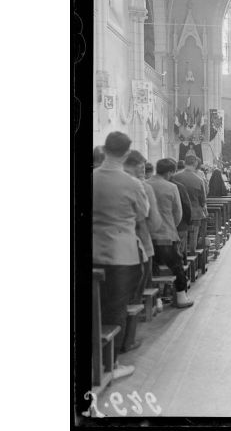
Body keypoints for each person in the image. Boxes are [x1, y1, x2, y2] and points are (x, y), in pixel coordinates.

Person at [93, 131, 149, 379]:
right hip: (122, 255)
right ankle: (111, 365)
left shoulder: (91, 178)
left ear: (104, 150)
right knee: (116, 308)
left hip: (93, 251)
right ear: (127, 153)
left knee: (94, 306)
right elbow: (142, 214)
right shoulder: (132, 184)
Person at [146, 158, 194, 309]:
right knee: (176, 266)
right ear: (169, 172)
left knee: (151, 269)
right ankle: (181, 297)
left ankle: (156, 300)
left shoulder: (145, 185)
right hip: (166, 234)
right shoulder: (171, 187)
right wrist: (171, 225)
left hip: (147, 235)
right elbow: (178, 212)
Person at [123, 151, 163, 312]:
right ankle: (147, 306)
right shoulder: (143, 187)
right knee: (140, 283)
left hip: (109, 247)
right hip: (140, 241)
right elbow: (153, 221)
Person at [173, 155, 207, 254]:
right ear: (195, 163)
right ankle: (192, 255)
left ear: (184, 163)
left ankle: (181, 256)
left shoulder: (175, 177)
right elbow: (203, 200)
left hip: (180, 212)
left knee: (180, 236)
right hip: (195, 213)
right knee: (194, 236)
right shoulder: (198, 180)